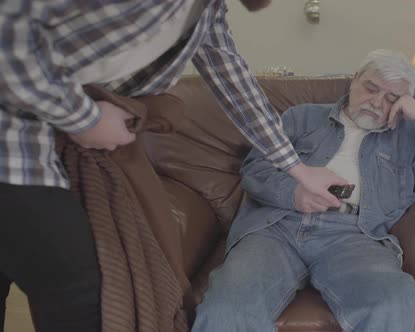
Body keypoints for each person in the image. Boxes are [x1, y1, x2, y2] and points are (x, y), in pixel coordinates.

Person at [0, 0, 345, 331]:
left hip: (52, 146)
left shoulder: (206, 10)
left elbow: (231, 76)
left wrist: (297, 169)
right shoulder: (304, 117)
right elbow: (9, 33)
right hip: (18, 144)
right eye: (371, 86)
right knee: (92, 301)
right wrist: (85, 118)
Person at [192, 50, 415, 332]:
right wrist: (293, 193)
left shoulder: (408, 139)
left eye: (391, 98)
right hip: (276, 227)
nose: (376, 102)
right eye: (371, 88)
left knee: (391, 302)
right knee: (226, 309)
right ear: (354, 80)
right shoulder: (301, 118)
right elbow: (254, 169)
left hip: (354, 236)